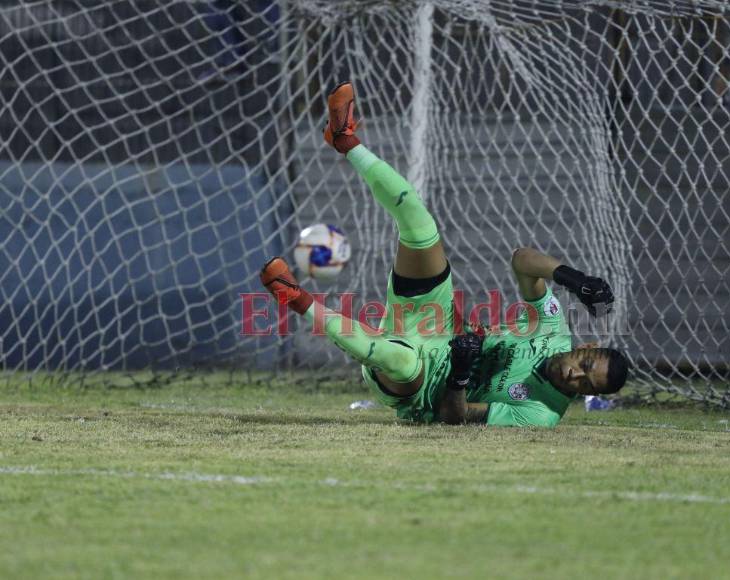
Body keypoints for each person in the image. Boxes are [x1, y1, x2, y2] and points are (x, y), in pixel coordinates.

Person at [260, 82, 629, 427]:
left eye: (585, 385)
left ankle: (295, 298)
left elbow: (454, 416)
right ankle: (346, 140)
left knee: (402, 361)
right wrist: (573, 279)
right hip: (434, 326)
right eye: (584, 364)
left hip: (420, 388)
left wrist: (460, 374)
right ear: (587, 346)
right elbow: (522, 260)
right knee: (420, 226)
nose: (573, 375)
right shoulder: (553, 331)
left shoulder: (541, 412)